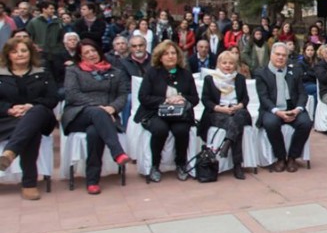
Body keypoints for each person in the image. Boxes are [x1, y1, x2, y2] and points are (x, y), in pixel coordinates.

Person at [61, 39, 131, 194]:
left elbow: (122, 95)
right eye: (86, 52)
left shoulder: (115, 72)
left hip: (107, 116)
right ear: (80, 56)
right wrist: (98, 107)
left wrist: (112, 108)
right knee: (97, 113)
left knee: (94, 132)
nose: (91, 54)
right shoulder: (74, 71)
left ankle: (92, 181)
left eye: (93, 50)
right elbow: (72, 94)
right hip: (78, 114)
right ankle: (117, 152)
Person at [0, 36, 59, 200]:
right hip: (7, 120)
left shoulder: (43, 73)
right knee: (30, 130)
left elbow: (53, 99)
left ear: (30, 52)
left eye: (23, 50)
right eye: (14, 51)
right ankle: (29, 184)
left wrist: (29, 106)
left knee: (36, 113)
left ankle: (10, 153)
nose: (19, 54)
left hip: (41, 116)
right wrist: (9, 110)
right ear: (8, 55)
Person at [135, 40, 199, 183]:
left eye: (173, 53)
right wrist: (165, 100)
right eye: (166, 53)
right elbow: (143, 97)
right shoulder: (152, 73)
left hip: (179, 114)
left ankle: (181, 164)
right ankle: (155, 166)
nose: (170, 56)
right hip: (155, 112)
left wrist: (181, 98)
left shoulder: (185, 74)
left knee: (182, 130)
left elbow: (195, 99)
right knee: (160, 130)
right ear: (160, 57)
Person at [254, 43, 313, 172]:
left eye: (284, 55)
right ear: (271, 55)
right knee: (271, 123)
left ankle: (292, 157)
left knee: (306, 123)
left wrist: (298, 109)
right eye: (278, 54)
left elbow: (302, 93)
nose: (281, 58)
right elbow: (263, 98)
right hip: (272, 109)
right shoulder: (261, 73)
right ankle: (280, 157)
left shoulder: (295, 71)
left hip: (293, 108)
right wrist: (278, 112)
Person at [199, 50, 251, 179]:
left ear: (235, 65)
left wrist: (238, 106)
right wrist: (221, 109)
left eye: (231, 63)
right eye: (224, 63)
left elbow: (245, 99)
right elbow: (206, 100)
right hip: (218, 111)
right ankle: (237, 165)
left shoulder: (239, 78)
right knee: (235, 126)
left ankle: (227, 142)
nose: (227, 66)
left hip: (237, 110)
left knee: (238, 117)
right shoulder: (210, 79)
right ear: (218, 64)